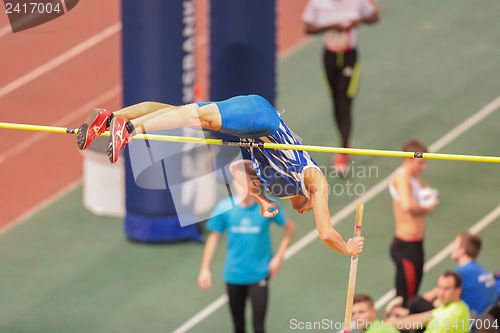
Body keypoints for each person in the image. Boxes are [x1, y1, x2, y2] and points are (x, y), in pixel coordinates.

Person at [76, 94, 364, 256]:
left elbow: (239, 168)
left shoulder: (278, 189)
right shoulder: (315, 180)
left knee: (178, 113)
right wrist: (347, 248)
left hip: (248, 132)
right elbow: (325, 232)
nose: (304, 212)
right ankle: (128, 131)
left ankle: (109, 119)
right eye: (310, 208)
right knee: (192, 116)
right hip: (264, 119)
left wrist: (259, 198)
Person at [197, 162, 294, 333]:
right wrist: (205, 269)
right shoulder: (225, 209)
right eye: (239, 182)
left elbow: (289, 229)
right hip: (234, 276)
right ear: (234, 185)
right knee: (238, 327)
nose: (243, 188)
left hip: (259, 274)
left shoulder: (266, 206)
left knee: (259, 327)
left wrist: (279, 257)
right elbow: (213, 238)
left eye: (247, 183)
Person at [302, 0, 379, 171]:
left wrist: (359, 21)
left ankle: (343, 151)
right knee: (336, 102)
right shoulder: (318, 3)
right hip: (329, 57)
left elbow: (374, 16)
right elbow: (307, 28)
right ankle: (345, 143)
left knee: (345, 102)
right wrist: (330, 26)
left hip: (349, 57)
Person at [388, 140, 439, 306]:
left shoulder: (415, 179)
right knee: (407, 299)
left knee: (412, 294)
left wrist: (429, 200)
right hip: (406, 247)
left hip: (416, 245)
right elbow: (408, 206)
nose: (423, 167)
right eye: (420, 162)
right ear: (408, 159)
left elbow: (427, 195)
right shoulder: (402, 177)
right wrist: (427, 207)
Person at [409, 232, 498, 317]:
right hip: (485, 321)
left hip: (468, 323)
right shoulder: (483, 271)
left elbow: (433, 296)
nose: (452, 248)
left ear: (462, 251)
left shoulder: (461, 273)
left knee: (415, 303)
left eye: (455, 244)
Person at [387, 271, 471, 333]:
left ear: (458, 290)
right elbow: (422, 318)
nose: (441, 293)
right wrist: (394, 322)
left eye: (446, 289)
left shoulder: (447, 318)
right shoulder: (460, 306)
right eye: (439, 287)